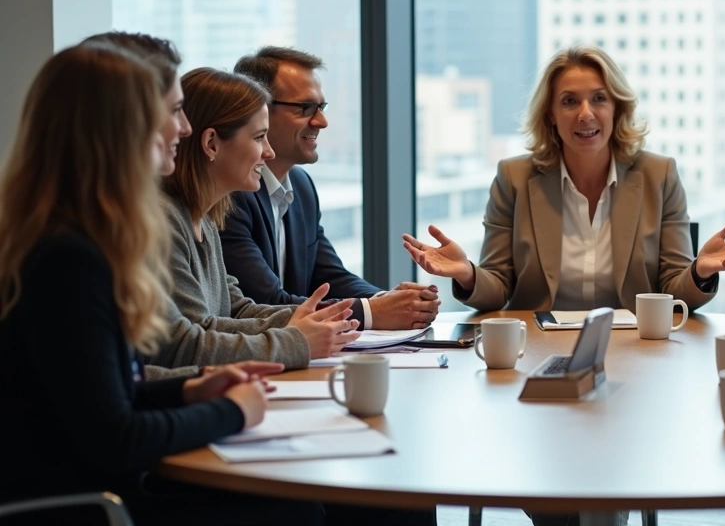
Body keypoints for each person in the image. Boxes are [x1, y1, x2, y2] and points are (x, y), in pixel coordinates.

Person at [0, 42, 327, 524]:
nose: (185, 128)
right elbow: (116, 437)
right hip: (91, 505)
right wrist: (234, 410)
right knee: (298, 512)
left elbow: (108, 393)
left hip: (104, 486)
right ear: (123, 127)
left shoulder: (81, 241)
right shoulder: (68, 258)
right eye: (174, 111)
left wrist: (190, 389)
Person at [403, 44, 725, 313]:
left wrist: (699, 272)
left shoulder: (659, 175)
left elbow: (673, 291)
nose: (586, 114)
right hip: (538, 346)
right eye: (570, 101)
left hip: (636, 349)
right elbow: (498, 288)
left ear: (616, 107)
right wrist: (467, 273)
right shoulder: (513, 178)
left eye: (599, 99)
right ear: (551, 114)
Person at [221, 46, 439, 331]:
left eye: (321, 108)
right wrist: (374, 312)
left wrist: (390, 301)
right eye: (305, 108)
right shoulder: (229, 195)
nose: (321, 122)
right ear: (259, 111)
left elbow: (329, 277)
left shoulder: (301, 186)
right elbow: (265, 302)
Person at [161, 67, 360, 368]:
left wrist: (311, 318)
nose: (269, 153)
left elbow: (235, 310)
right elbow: (190, 343)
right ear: (212, 144)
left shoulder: (205, 219)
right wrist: (298, 340)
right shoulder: (166, 221)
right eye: (259, 138)